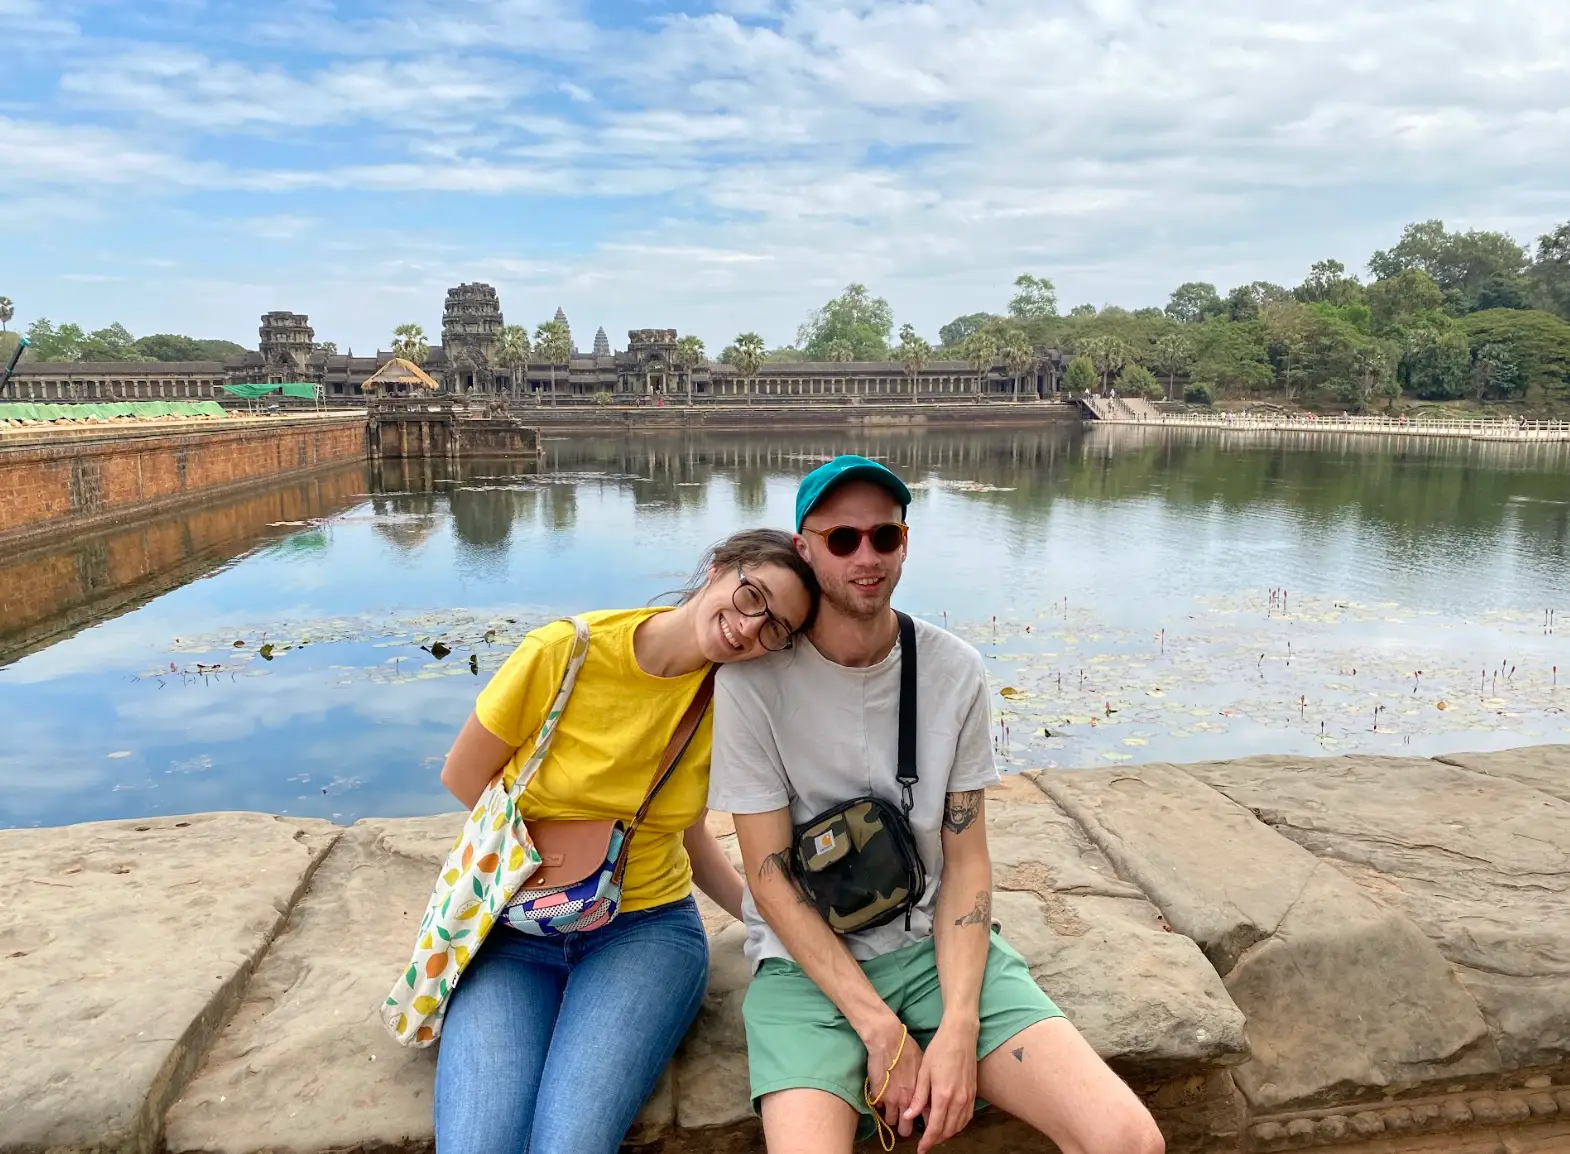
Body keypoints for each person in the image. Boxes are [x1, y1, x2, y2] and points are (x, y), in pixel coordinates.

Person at [709, 457, 1163, 1154]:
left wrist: (959, 1026)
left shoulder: (954, 672)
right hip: (808, 971)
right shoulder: (753, 685)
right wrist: (881, 1030)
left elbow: (967, 862)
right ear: (804, 548)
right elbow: (768, 877)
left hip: (929, 948)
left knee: (1128, 1140)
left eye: (884, 538)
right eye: (842, 540)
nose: (867, 557)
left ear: (905, 543)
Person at [433, 529, 819, 1154]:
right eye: (752, 597)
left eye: (776, 628)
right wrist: (559, 860)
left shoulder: (731, 700)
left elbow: (684, 833)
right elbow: (464, 778)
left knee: (570, 1144)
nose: (750, 629)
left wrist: (767, 921)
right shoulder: (565, 652)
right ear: (719, 568)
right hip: (515, 930)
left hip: (644, 934)